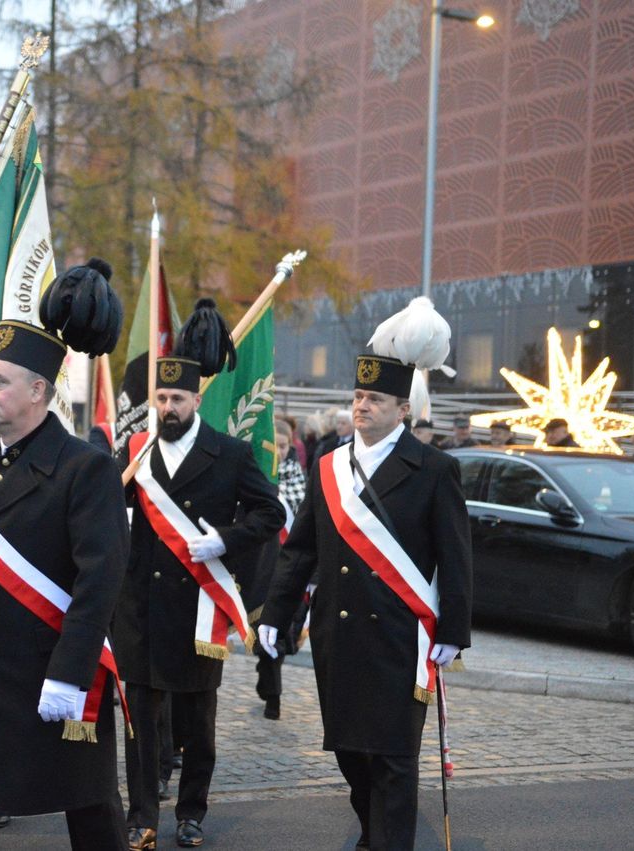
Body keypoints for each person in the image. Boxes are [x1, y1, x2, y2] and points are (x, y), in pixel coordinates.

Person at [258, 296, 472, 851]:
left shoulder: (434, 470)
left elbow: (456, 557)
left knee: (395, 760)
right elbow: (300, 551)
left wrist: (453, 630)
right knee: (352, 754)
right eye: (357, 397)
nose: (362, 407)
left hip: (402, 637)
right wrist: (276, 613)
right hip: (339, 632)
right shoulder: (329, 466)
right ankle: (374, 828)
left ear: (403, 409)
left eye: (375, 399)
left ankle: (386, 840)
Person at [0, 259, 130, 851]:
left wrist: (72, 674)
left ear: (39, 391)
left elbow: (99, 582)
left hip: (55, 675)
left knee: (92, 817)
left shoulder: (86, 468)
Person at [114, 299, 284, 851]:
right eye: (160, 398)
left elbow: (271, 513)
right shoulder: (134, 454)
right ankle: (141, 816)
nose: (167, 407)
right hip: (138, 606)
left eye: (177, 399)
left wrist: (226, 540)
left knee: (196, 723)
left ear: (195, 400)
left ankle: (191, 813)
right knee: (140, 724)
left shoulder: (229, 454)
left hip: (197, 609)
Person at [243, 419, 309, 723]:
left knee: (281, 635)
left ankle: (272, 688)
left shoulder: (301, 480)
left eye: (283, 447)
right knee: (266, 631)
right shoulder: (255, 479)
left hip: (291, 566)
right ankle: (270, 687)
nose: (278, 452)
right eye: (273, 446)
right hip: (262, 565)